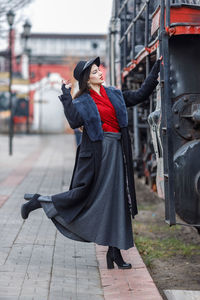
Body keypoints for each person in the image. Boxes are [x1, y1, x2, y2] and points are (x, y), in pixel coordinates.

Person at [21, 56, 161, 269]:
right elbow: (75, 121)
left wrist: (157, 70)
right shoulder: (82, 101)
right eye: (95, 72)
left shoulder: (114, 94)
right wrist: (66, 97)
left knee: (117, 200)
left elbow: (140, 95)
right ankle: (40, 202)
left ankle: (114, 253)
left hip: (116, 150)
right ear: (86, 80)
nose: (100, 73)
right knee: (85, 195)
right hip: (98, 153)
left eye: (99, 69)